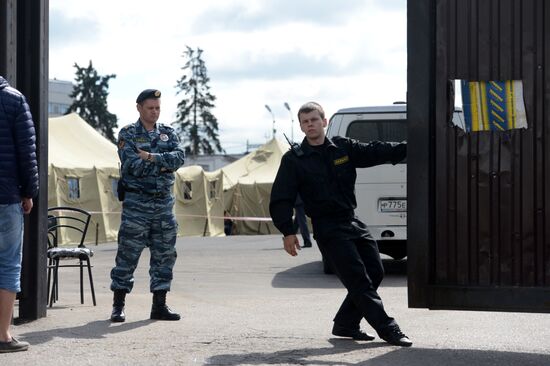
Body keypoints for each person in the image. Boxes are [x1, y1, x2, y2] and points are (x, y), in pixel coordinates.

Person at [269, 101, 412, 347]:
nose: (310, 124)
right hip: (327, 227)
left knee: (376, 272)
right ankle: (389, 329)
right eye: (305, 121)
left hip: (352, 220)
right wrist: (288, 231)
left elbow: (377, 151)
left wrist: (412, 147)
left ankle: (345, 323)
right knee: (358, 280)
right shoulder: (294, 159)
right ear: (301, 127)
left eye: (314, 119)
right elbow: (282, 197)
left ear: (324, 122)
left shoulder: (343, 148)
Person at [110, 89, 185, 322]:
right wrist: (164, 162)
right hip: (137, 204)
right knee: (127, 255)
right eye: (150, 108)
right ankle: (118, 305)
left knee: (164, 255)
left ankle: (159, 305)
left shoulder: (168, 133)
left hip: (163, 203)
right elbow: (133, 166)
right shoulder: (128, 133)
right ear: (139, 108)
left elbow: (179, 158)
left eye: (158, 108)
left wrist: (151, 157)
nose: (155, 112)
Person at [0, 76, 39, 352]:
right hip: (6, 197)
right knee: (8, 265)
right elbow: (27, 151)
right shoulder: (14, 100)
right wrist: (29, 192)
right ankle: (2, 335)